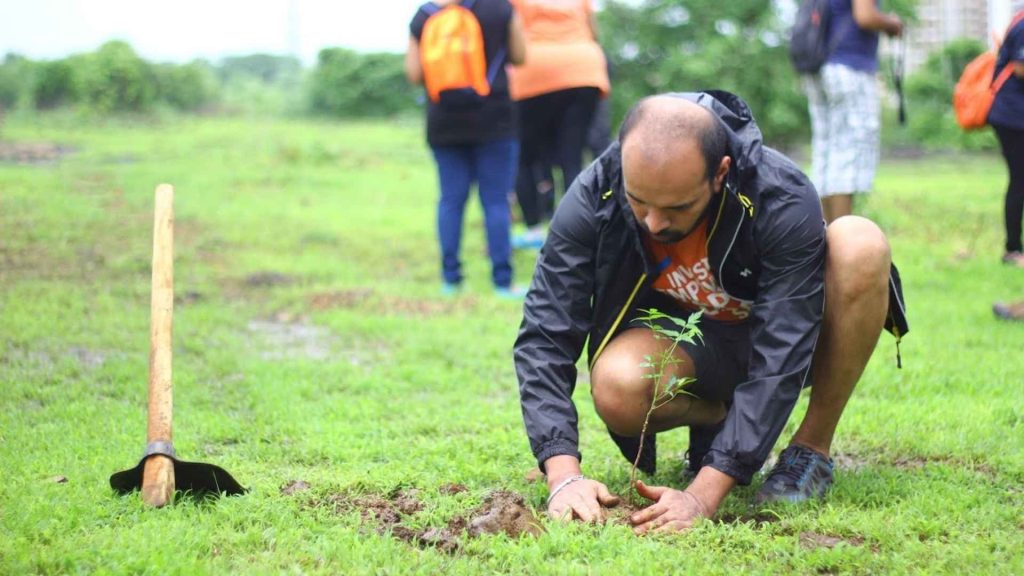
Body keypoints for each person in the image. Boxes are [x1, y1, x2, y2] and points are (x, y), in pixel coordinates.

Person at [513, 91, 908, 533]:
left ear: (720, 173)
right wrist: (563, 475)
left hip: (791, 345)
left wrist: (702, 496)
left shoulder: (778, 194)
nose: (653, 223)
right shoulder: (597, 191)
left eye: (676, 207)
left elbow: (782, 347)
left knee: (859, 242)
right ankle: (720, 419)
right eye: (639, 201)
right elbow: (546, 329)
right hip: (696, 347)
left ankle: (810, 450)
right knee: (618, 385)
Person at [405, 0, 527, 297]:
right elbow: (520, 56)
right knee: (496, 201)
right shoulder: (501, 8)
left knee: (450, 199)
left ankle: (451, 280)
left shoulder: (425, 15)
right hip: (495, 118)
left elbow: (414, 73)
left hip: (444, 121)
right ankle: (502, 281)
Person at [507, 0, 611, 249]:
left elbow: (510, 33)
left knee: (525, 158)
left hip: (534, 70)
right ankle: (578, 232)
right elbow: (594, 31)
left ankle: (533, 230)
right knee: (572, 158)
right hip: (584, 69)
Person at [802, 0, 903, 224]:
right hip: (849, 68)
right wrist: (892, 24)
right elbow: (865, 16)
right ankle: (843, 236)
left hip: (818, 66)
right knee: (848, 154)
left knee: (825, 154)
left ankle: (823, 234)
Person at [989, 9, 1024, 267]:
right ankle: (1013, 249)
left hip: (1014, 114)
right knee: (1020, 180)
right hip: (1013, 117)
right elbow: (1021, 68)